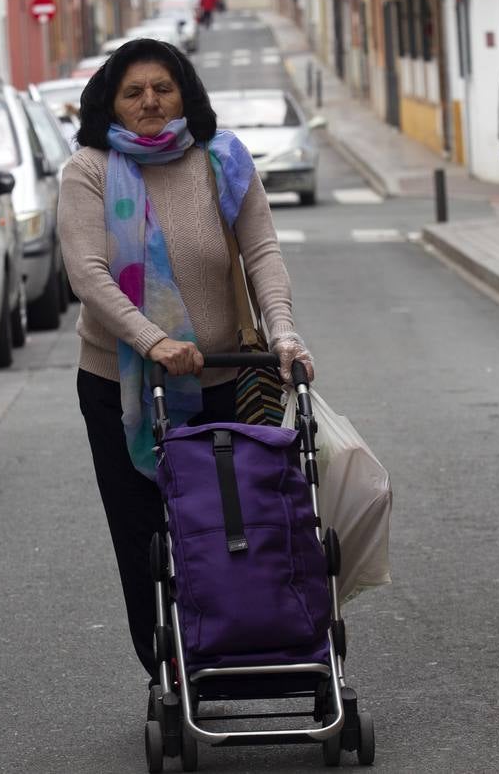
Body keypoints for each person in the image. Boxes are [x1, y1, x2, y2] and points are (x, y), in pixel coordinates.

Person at [58, 37, 314, 676]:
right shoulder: (88, 170)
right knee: (146, 536)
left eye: (163, 88)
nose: (150, 101)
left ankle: (248, 645)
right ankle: (169, 667)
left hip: (229, 380)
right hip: (122, 386)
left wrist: (283, 334)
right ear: (112, 105)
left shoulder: (223, 160)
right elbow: (89, 274)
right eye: (134, 92)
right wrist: (153, 341)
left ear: (185, 93)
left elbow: (262, 255)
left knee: (238, 523)